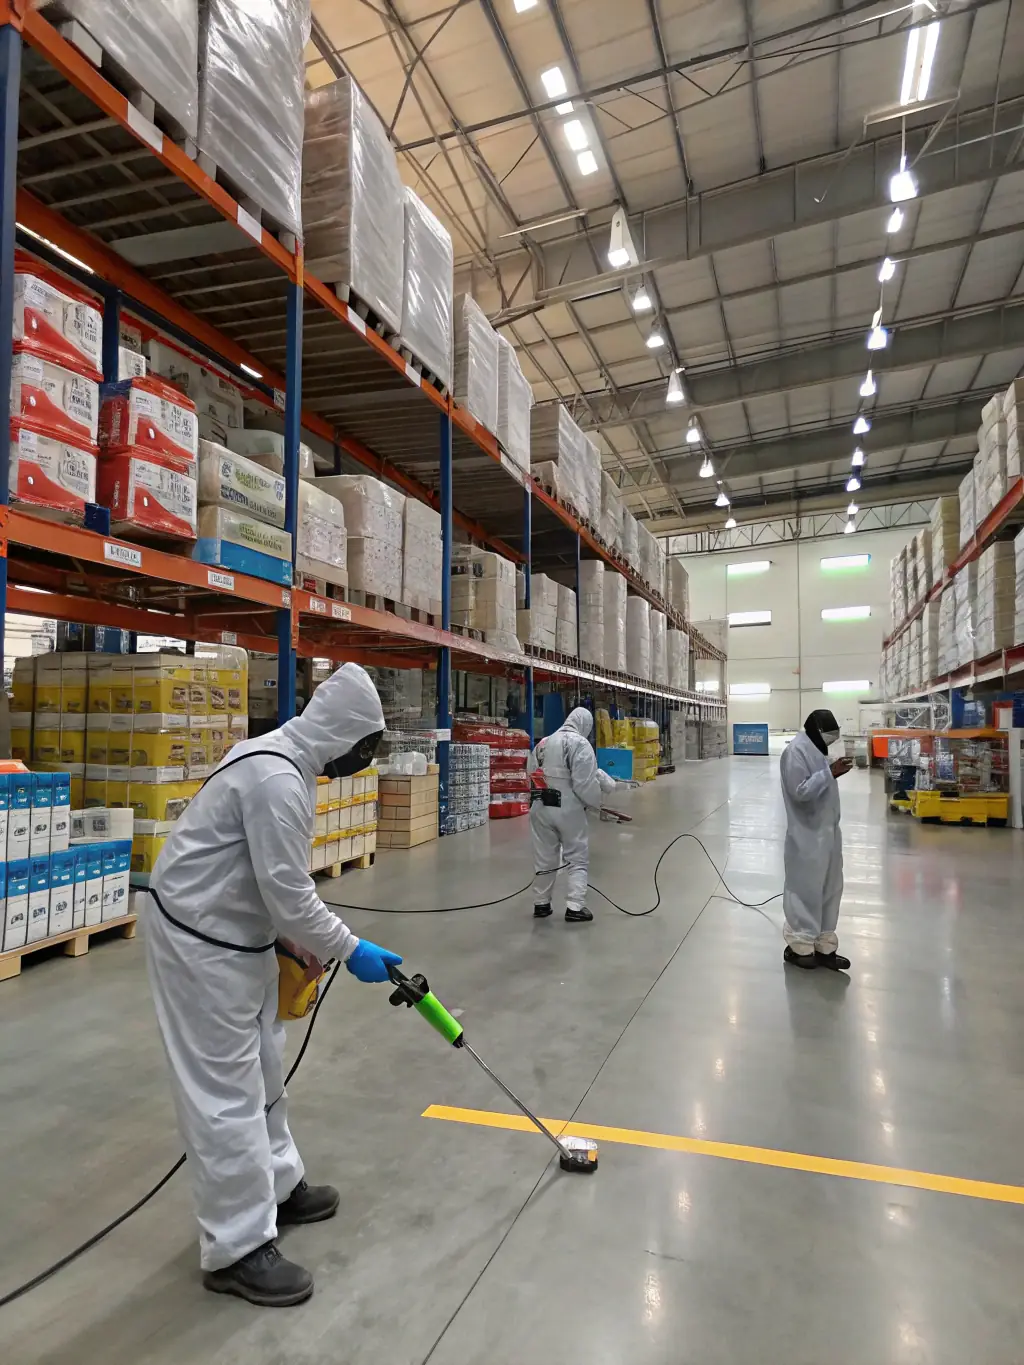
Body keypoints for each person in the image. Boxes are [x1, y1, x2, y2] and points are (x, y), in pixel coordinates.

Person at [145, 663, 403, 1307]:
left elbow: (262, 876)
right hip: (199, 941)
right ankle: (235, 1248)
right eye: (364, 744)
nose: (361, 758)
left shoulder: (282, 760)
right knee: (224, 1092)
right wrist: (350, 948)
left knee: (264, 1063)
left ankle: (280, 1186)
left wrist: (291, 938)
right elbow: (290, 896)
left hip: (238, 930)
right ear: (345, 733)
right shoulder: (275, 778)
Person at [527, 706, 617, 924]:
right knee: (576, 857)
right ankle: (575, 907)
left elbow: (531, 771)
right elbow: (584, 784)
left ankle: (541, 904)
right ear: (585, 724)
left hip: (540, 806)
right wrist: (597, 804)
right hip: (567, 808)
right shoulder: (580, 744)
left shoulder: (544, 742)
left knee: (544, 857)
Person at [779, 708, 853, 971]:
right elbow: (799, 791)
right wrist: (829, 773)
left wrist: (832, 773)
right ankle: (801, 944)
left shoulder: (815, 748)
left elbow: (821, 785)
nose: (830, 742)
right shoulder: (795, 752)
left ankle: (824, 943)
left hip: (829, 833)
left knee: (831, 888)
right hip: (806, 836)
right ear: (815, 730)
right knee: (805, 889)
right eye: (828, 736)